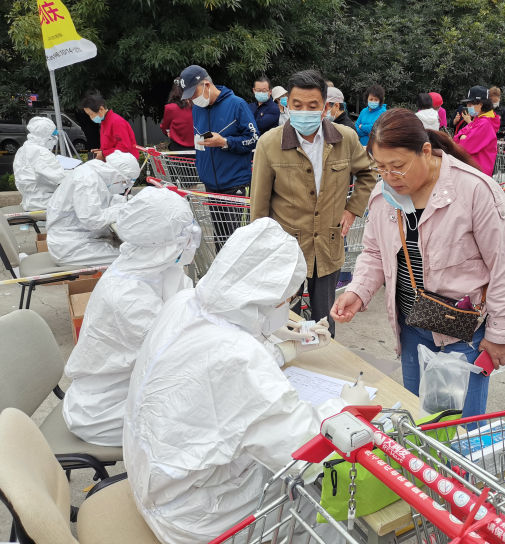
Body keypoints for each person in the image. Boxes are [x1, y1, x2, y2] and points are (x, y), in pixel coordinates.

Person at [123, 219, 366, 544]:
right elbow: (303, 454)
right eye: (287, 299)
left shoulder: (185, 304)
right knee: (337, 515)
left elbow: (216, 365)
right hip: (198, 519)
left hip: (154, 480)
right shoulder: (239, 358)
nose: (287, 306)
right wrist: (347, 408)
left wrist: (284, 350)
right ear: (269, 296)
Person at [331, 108, 505, 422]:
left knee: (458, 428)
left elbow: (504, 266)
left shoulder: (474, 190)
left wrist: (500, 334)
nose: (390, 177)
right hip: (411, 325)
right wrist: (358, 291)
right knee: (419, 420)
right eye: (381, 168)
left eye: (398, 166)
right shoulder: (383, 195)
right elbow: (374, 252)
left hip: (463, 331)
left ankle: (454, 473)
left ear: (426, 151)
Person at [62, 187, 200, 446]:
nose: (192, 238)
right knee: (208, 422)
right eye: (185, 233)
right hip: (104, 408)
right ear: (161, 241)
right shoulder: (128, 295)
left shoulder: (155, 267)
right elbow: (178, 353)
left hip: (135, 383)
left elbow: (191, 305)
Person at [251, 70, 377, 336]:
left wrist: (353, 209)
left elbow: (368, 173)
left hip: (328, 246)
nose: (304, 111)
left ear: (325, 107)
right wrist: (261, 248)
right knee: (280, 316)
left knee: (324, 319)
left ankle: (321, 369)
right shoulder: (269, 144)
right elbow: (259, 204)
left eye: (313, 106)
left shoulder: (345, 138)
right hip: (287, 247)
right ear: (287, 105)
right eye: (297, 105)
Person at [178, 65, 259, 244]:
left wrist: (225, 142)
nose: (192, 99)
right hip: (211, 185)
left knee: (237, 240)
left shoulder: (237, 104)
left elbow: (254, 139)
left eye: (194, 93)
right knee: (220, 238)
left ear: (206, 84)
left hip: (235, 183)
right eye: (188, 95)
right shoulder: (197, 108)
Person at [46, 150, 141, 266]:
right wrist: (122, 209)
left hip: (78, 238)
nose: (124, 187)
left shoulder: (94, 174)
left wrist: (130, 201)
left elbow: (106, 200)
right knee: (132, 257)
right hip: (71, 246)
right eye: (125, 182)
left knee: (129, 249)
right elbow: (92, 220)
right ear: (116, 174)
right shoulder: (87, 181)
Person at [13, 116, 66, 211]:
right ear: (47, 136)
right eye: (53, 135)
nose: (54, 138)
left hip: (29, 200)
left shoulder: (23, 149)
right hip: (43, 201)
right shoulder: (42, 153)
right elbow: (59, 178)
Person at [453, 86, 501, 177]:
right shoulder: (478, 120)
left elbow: (465, 147)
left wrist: (462, 138)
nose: (468, 107)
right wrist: (461, 137)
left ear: (481, 104)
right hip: (473, 171)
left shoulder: (485, 123)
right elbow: (456, 137)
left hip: (478, 174)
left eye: (471, 104)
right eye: (468, 104)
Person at [79, 92, 139, 160]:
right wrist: (100, 152)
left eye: (91, 114)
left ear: (101, 109)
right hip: (115, 162)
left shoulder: (117, 122)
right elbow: (109, 146)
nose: (91, 117)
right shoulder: (104, 122)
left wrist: (103, 153)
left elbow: (124, 148)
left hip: (126, 164)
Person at [159, 81, 195, 152]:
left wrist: (170, 132)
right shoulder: (198, 106)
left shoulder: (170, 108)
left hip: (178, 149)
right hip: (198, 148)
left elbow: (165, 128)